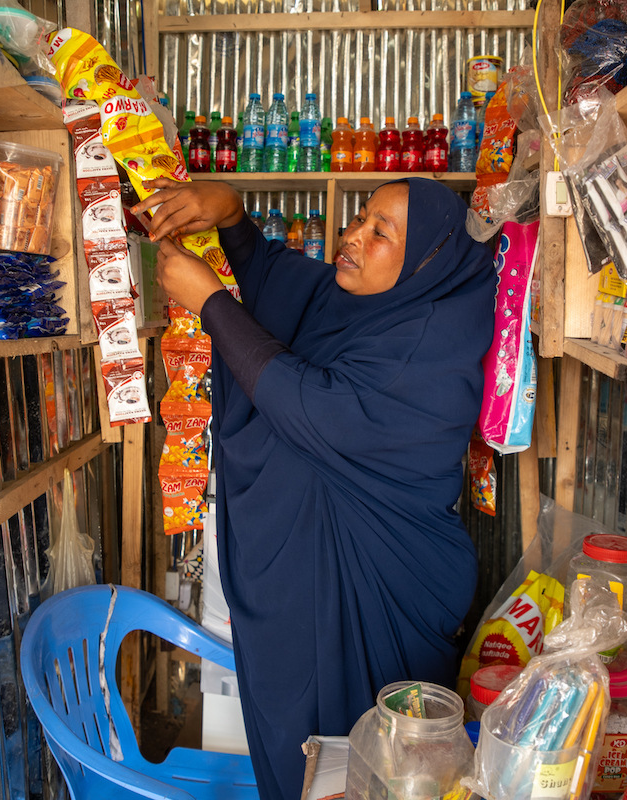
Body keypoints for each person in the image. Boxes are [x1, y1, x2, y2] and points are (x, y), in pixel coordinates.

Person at [138, 176, 496, 800]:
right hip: (305, 590)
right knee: (301, 760)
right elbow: (287, 286)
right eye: (360, 217)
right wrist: (232, 216)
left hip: (384, 588)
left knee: (376, 767)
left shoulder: (427, 353)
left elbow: (307, 402)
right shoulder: (359, 300)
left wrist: (213, 304)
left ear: (428, 262)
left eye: (380, 232)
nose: (352, 235)